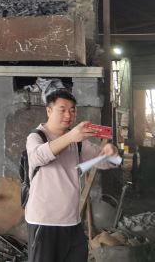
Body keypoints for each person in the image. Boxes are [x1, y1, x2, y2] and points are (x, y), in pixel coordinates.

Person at [25, 89, 119, 262]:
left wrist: (112, 153)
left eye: (72, 110)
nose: (68, 115)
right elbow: (38, 156)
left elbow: (105, 162)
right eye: (62, 110)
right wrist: (70, 137)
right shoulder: (37, 136)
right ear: (49, 111)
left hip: (72, 221)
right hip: (44, 222)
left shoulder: (78, 142)